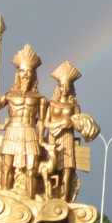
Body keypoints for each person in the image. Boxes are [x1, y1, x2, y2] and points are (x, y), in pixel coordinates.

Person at [0, 44, 46, 198]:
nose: (25, 74)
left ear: (33, 74)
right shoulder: (9, 95)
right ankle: (5, 198)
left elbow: (42, 121)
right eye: (22, 71)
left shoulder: (40, 99)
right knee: (6, 167)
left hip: (30, 131)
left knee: (32, 169)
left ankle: (31, 199)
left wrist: (41, 139)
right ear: (17, 73)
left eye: (28, 71)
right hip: (12, 131)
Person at [44, 61, 82, 202]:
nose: (64, 88)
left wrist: (70, 124)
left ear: (70, 87)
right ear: (58, 87)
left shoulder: (74, 106)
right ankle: (49, 196)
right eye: (62, 86)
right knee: (51, 168)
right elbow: (46, 122)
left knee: (66, 171)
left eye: (67, 86)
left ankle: (63, 200)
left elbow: (79, 124)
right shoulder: (51, 104)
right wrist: (60, 123)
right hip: (53, 137)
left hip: (67, 138)